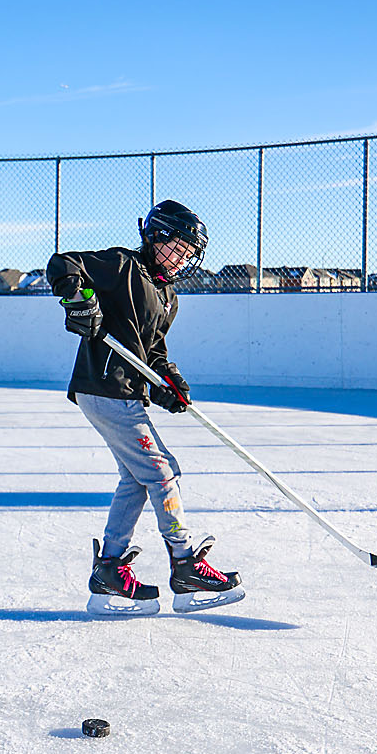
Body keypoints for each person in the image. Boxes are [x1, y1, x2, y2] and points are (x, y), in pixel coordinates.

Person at [46, 199, 243, 616]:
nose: (184, 257)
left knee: (137, 479)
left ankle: (110, 572)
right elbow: (63, 264)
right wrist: (80, 300)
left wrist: (167, 383)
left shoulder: (168, 296)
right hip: (104, 385)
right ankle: (186, 561)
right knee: (162, 470)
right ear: (154, 237)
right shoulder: (122, 267)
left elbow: (152, 354)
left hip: (126, 391)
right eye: (178, 246)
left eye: (191, 253)